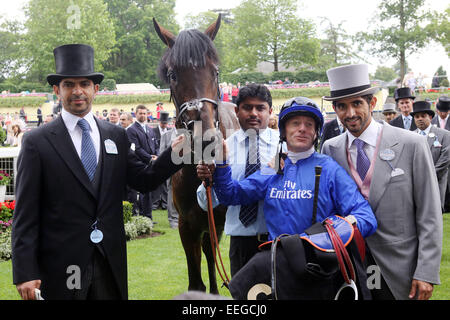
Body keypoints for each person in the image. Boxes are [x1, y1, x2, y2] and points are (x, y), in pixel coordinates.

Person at [11, 44, 184, 300]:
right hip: (62, 267)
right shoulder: (37, 141)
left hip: (109, 262)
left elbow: (144, 180)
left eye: (84, 83)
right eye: (69, 84)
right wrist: (24, 270)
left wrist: (178, 153)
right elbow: (25, 212)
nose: (77, 91)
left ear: (96, 89)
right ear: (57, 90)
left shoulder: (115, 135)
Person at [321, 63, 442, 300]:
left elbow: (429, 212)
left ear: (372, 103)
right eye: (342, 106)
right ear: (335, 109)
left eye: (357, 103)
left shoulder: (411, 144)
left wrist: (426, 271)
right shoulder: (330, 149)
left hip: (400, 268)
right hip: (349, 265)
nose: (350, 113)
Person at [197, 96, 377, 243]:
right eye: (295, 123)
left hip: (320, 267)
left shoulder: (330, 169)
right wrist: (221, 164)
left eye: (309, 125)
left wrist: (326, 235)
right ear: (283, 131)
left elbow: (365, 218)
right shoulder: (274, 168)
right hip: (280, 267)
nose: (302, 129)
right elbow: (230, 195)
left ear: (316, 133)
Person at [196, 83, 280, 276]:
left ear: (270, 111)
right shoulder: (222, 148)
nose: (254, 113)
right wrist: (206, 182)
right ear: (236, 111)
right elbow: (205, 204)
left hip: (278, 239)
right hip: (241, 242)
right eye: (247, 107)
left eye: (260, 108)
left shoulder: (283, 146)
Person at [411, 100, 450, 212]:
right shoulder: (409, 136)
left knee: (434, 216)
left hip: (436, 185)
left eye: (423, 116)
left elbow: (445, 159)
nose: (420, 119)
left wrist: (428, 177)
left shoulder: (445, 135)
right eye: (417, 116)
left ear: (431, 117)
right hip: (415, 187)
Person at [126, 104, 158, 221]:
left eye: (145, 113)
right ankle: (144, 217)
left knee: (148, 192)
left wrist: (157, 156)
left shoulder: (150, 129)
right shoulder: (131, 130)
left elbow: (156, 145)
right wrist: (150, 158)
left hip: (151, 163)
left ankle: (148, 217)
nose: (143, 116)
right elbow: (137, 148)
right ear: (136, 114)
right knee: (142, 192)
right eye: (141, 113)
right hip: (140, 164)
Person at [159, 126, 179, 229]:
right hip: (171, 169)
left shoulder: (189, 132)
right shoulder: (166, 135)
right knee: (171, 192)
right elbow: (162, 152)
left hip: (185, 169)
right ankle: (173, 219)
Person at [152, 111, 170, 210]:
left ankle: (165, 202)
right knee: (156, 181)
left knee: (165, 183)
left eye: (165, 123)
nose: (164, 125)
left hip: (167, 159)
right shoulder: (153, 131)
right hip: (156, 158)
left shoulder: (170, 131)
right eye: (163, 123)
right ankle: (155, 203)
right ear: (159, 122)